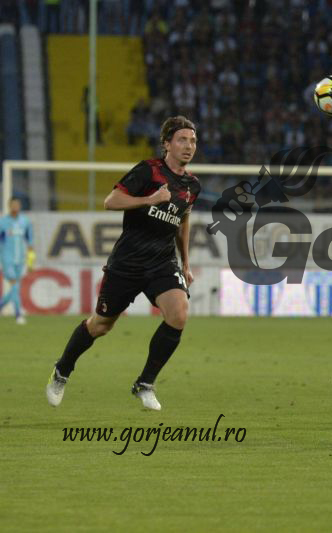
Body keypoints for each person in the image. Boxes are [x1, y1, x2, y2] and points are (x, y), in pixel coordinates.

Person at [45, 116, 201, 411]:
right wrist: (150, 199)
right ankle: (62, 369)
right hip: (127, 263)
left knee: (179, 314)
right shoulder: (148, 171)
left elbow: (183, 220)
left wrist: (186, 263)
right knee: (101, 325)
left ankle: (145, 383)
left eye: (192, 141)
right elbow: (111, 201)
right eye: (182, 139)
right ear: (167, 144)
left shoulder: (192, 185)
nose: (188, 146)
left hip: (162, 262)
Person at [0, 198, 34, 324]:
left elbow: (30, 241)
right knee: (15, 284)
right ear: (9, 206)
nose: (15, 207)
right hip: (7, 259)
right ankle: (18, 314)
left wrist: (30, 261)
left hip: (20, 259)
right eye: (13, 205)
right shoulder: (3, 222)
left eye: (17, 205)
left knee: (16, 287)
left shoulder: (25, 221)